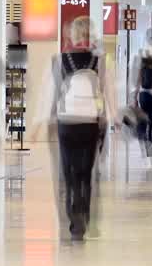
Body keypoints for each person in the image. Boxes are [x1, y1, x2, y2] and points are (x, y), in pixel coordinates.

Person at [46, 16, 116, 242]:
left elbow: (52, 93)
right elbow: (108, 93)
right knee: (86, 171)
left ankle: (73, 217)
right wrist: (110, 117)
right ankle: (83, 212)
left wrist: (45, 120)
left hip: (66, 122)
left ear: (73, 34)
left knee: (69, 171)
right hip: (90, 122)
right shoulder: (101, 61)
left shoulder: (60, 60)